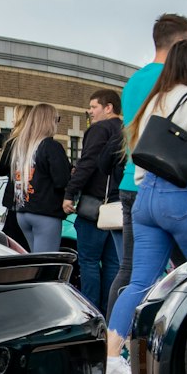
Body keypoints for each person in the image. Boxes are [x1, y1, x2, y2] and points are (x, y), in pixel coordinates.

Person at [105, 39, 187, 374]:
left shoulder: (153, 100)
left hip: (145, 196)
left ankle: (110, 355)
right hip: (184, 197)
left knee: (138, 281)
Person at [107, 13, 187, 321]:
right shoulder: (174, 84)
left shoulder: (134, 81)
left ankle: (113, 346)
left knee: (132, 273)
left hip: (134, 185)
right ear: (183, 45)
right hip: (171, 189)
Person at [63, 90, 124, 313]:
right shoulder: (128, 130)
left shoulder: (100, 129)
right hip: (119, 208)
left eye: (94, 106)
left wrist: (70, 192)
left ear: (108, 107)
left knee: (88, 262)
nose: (90, 111)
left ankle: (90, 313)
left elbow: (87, 163)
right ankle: (110, 314)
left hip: (95, 207)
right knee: (113, 265)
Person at [9, 105, 71, 253]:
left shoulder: (21, 147)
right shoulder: (51, 146)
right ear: (49, 121)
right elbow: (62, 180)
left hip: (23, 211)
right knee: (46, 262)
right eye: (57, 119)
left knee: (36, 258)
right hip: (45, 212)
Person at [0, 104, 32, 247]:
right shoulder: (42, 142)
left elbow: (0, 168)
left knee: (14, 243)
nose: (12, 121)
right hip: (35, 201)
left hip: (15, 201)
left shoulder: (14, 142)